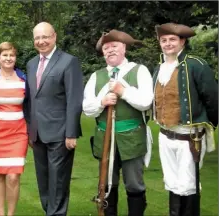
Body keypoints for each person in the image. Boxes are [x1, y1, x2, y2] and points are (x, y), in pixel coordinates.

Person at [83, 29, 153, 216]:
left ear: (124, 48)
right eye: (106, 48)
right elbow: (87, 108)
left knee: (134, 185)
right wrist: (102, 102)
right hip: (104, 139)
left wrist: (123, 91)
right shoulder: (96, 76)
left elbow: (146, 102)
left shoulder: (139, 71)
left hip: (132, 139)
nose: (110, 50)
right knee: (107, 184)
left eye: (114, 46)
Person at [153, 23, 218, 216]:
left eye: (172, 39)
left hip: (190, 139)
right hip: (165, 136)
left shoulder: (196, 65)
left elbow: (213, 98)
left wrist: (207, 125)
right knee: (172, 182)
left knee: (188, 184)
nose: (168, 44)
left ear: (182, 41)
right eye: (164, 40)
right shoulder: (158, 68)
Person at [26, 22, 83, 216]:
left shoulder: (69, 61)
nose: (41, 41)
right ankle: (49, 212)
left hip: (60, 134)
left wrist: (71, 133)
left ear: (55, 37)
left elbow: (74, 100)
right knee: (43, 181)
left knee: (58, 181)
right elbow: (31, 100)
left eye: (45, 37)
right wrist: (29, 131)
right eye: (37, 38)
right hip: (37, 134)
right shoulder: (31, 64)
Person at [0, 42, 29, 216]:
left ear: (15, 57)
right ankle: (1, 214)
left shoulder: (24, 78)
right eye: (5, 55)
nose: (8, 58)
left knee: (13, 176)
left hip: (18, 132)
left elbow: (31, 106)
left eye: (11, 55)